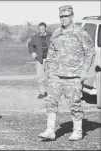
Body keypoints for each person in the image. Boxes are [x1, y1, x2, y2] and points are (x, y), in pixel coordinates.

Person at [38, 5, 96, 141]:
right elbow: (51, 53)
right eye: (61, 17)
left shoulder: (80, 33)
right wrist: (50, 70)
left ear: (72, 16)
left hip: (74, 76)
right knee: (50, 101)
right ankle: (50, 130)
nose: (63, 19)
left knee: (75, 103)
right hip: (56, 75)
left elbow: (90, 52)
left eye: (66, 16)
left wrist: (84, 70)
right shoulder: (57, 33)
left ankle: (77, 130)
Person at [28, 22, 52, 99]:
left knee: (51, 76)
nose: (41, 31)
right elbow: (30, 45)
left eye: (43, 29)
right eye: (40, 29)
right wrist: (33, 52)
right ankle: (42, 92)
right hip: (40, 59)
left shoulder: (51, 36)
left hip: (50, 59)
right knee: (40, 77)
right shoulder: (35, 37)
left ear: (45, 29)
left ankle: (52, 93)